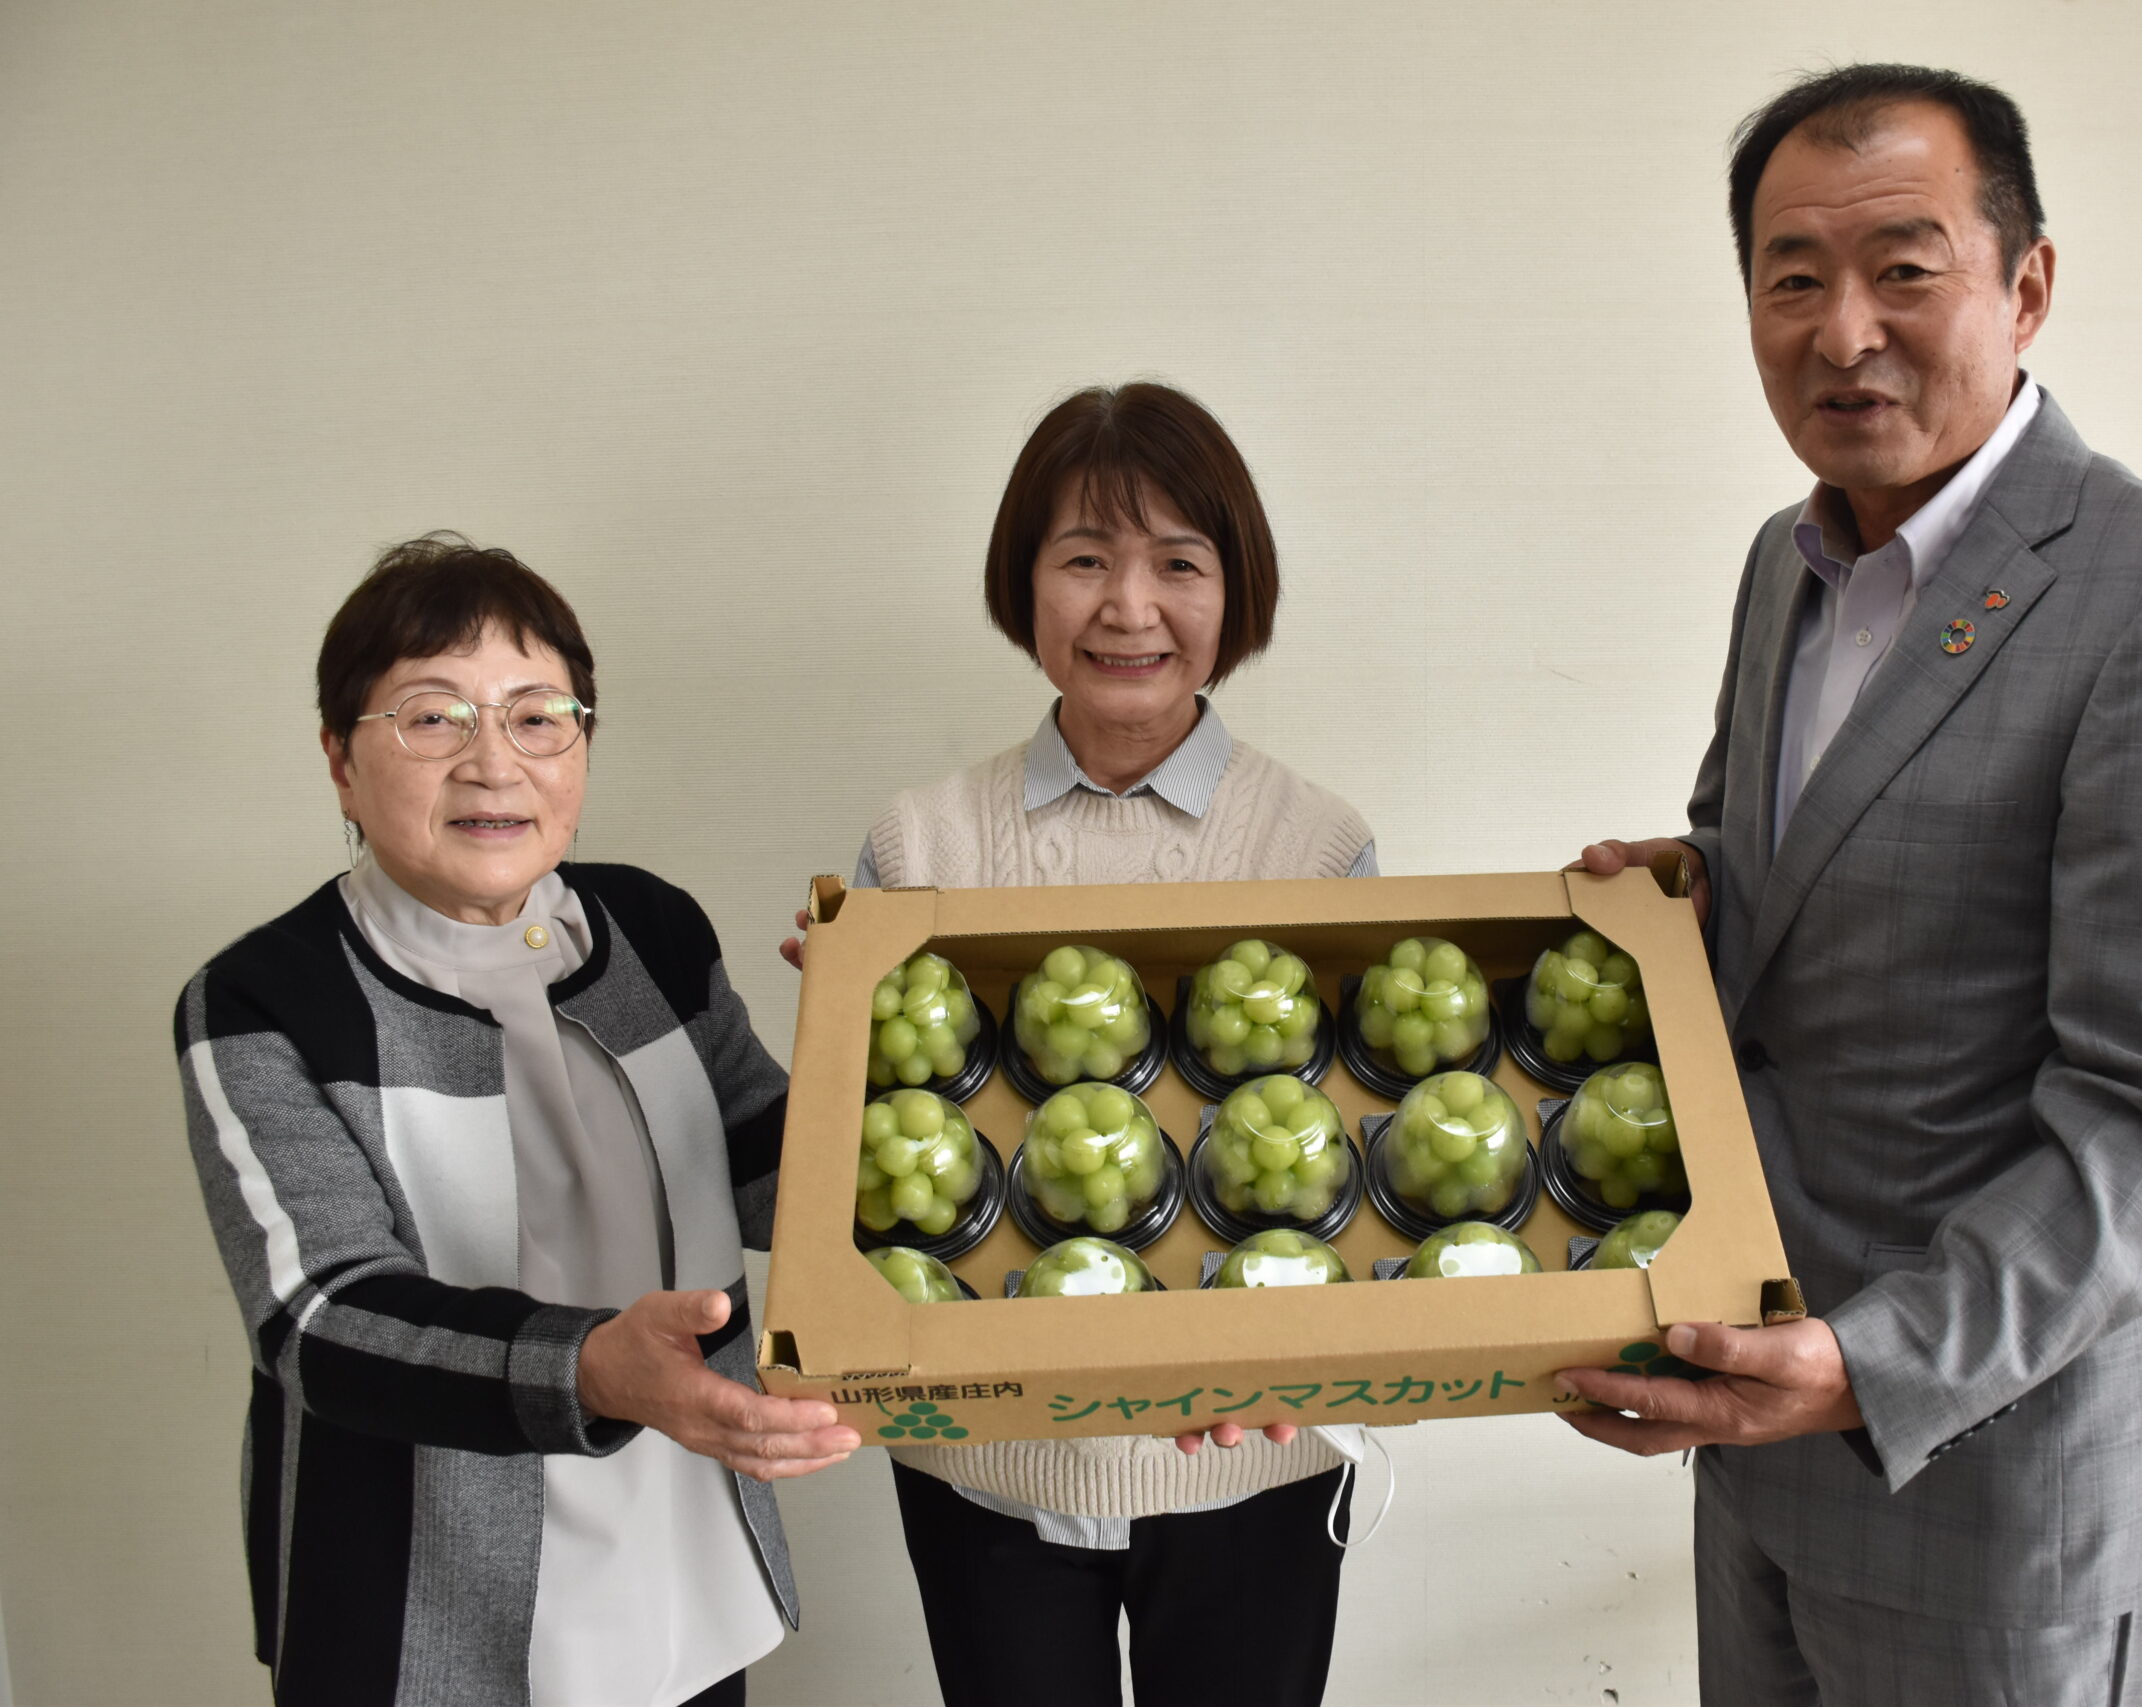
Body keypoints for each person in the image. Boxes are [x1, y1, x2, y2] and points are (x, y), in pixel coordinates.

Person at [1565, 65, 2142, 1707]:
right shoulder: (1790, 563)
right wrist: (1680, 893)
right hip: (1750, 1415)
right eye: (1793, 278)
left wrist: (1866, 1366)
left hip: (1987, 1476)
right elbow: (1775, 870)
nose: (1844, 332)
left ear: (2026, 283)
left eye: (1907, 268)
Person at [177, 534, 861, 1707]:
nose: (494, 762)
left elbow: (770, 1171)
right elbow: (322, 1319)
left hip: (679, 1529)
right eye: (432, 717)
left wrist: (883, 1038)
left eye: (539, 715)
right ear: (340, 759)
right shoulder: (264, 999)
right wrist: (593, 1368)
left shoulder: (652, 928)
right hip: (417, 1593)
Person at [784, 382, 1374, 1707]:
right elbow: (882, 1175)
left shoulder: (1321, 847)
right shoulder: (918, 844)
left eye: (1178, 561)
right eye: (1085, 559)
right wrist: (839, 1042)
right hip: (987, 1459)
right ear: (1025, 582)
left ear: (1238, 588)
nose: (1128, 605)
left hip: (1253, 1456)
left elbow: (1352, 1161)